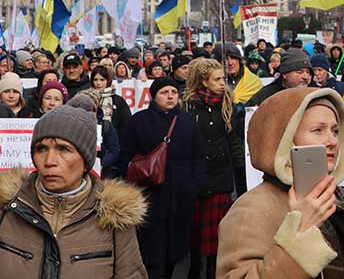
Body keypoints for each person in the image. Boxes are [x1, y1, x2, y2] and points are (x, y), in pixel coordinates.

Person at [217, 87, 344, 278]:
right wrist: (300, 235)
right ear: (285, 140)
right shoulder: (251, 210)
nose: (332, 141)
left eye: (335, 131)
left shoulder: (343, 203)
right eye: (317, 130)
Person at [0, 94, 147, 277]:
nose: (49, 161)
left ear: (86, 160)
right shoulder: (7, 206)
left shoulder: (115, 218)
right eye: (41, 149)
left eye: (64, 149)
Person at [118, 78, 202, 279]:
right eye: (164, 92)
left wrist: (193, 186)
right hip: (150, 193)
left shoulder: (187, 121)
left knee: (177, 247)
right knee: (152, 248)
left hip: (181, 193)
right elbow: (126, 154)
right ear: (154, 96)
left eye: (174, 92)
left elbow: (198, 155)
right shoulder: (139, 121)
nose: (170, 96)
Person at [183, 58, 246, 279]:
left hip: (221, 174)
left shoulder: (227, 104)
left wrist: (242, 168)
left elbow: (233, 138)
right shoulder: (188, 105)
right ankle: (193, 269)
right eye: (217, 79)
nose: (222, 83)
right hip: (196, 175)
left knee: (217, 232)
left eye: (223, 79)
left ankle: (213, 271)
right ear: (203, 81)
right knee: (195, 230)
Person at [246, 49, 313, 107]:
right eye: (299, 72)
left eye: (308, 72)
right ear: (284, 74)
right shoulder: (265, 96)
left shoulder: (313, 94)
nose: (305, 77)